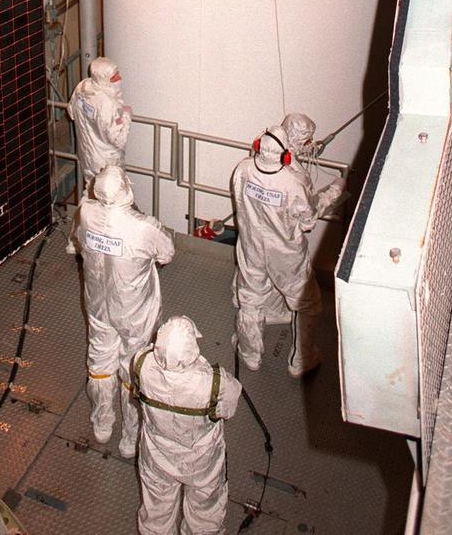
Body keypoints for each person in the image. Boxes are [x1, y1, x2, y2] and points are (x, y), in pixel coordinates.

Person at [68, 165, 175, 455]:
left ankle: (102, 424)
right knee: (133, 367)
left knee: (100, 364)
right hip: (134, 312)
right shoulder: (144, 227)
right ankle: (130, 438)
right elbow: (167, 253)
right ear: (126, 188)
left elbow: (79, 240)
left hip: (98, 306)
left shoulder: (86, 212)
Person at [231, 114, 345, 378]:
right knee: (307, 303)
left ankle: (250, 354)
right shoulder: (292, 182)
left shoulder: (242, 169)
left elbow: (241, 203)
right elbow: (308, 221)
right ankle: (302, 360)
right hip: (286, 255)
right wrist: (334, 191)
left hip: (251, 247)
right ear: (284, 155)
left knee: (250, 299)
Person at [132, 315, 241, 535]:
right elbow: (228, 409)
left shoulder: (141, 364)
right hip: (202, 461)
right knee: (205, 511)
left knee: (157, 508)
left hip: (157, 456)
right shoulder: (216, 383)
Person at [67, 57, 133, 188]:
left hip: (87, 156)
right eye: (114, 77)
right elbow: (119, 140)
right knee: (111, 193)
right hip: (108, 164)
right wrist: (126, 116)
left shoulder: (82, 87)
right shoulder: (107, 104)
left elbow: (71, 112)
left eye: (118, 74)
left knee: (91, 190)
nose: (119, 78)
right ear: (103, 79)